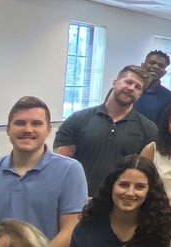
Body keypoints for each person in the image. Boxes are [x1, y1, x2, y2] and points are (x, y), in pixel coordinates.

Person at [0, 96, 85, 247]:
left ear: (48, 129)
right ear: (8, 129)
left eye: (36, 123)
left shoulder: (70, 171)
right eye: (20, 123)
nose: (28, 129)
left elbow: (70, 229)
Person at [69, 156, 171, 247]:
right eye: (123, 185)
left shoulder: (165, 230)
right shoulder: (86, 229)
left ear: (149, 192)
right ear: (112, 186)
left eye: (139, 187)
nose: (130, 193)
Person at [56, 65, 159, 197]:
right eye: (128, 82)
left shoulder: (148, 129)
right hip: (77, 201)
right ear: (115, 83)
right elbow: (61, 165)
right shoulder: (78, 119)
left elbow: (145, 174)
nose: (131, 88)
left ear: (139, 95)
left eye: (137, 87)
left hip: (121, 205)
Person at [134, 50, 171, 122]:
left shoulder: (170, 97)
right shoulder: (128, 89)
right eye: (152, 63)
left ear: (164, 72)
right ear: (142, 65)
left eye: (161, 66)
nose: (156, 67)